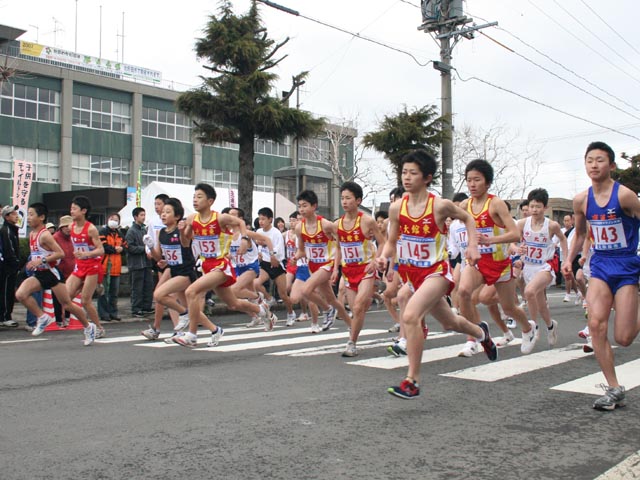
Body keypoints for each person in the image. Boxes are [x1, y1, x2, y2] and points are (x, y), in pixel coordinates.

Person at [377, 150, 497, 399]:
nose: (406, 178)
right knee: (449, 322)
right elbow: (391, 241)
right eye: (404, 172)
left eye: (413, 173)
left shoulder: (439, 205)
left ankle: (413, 380)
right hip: (413, 275)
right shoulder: (397, 208)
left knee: (410, 315)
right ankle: (481, 333)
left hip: (436, 273)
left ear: (427, 177)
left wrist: (473, 246)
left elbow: (468, 219)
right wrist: (383, 257)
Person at [562, 141, 640, 411]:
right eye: (589, 160)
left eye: (600, 160)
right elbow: (581, 233)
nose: (594, 165)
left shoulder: (626, 196)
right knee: (596, 325)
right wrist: (569, 260)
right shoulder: (581, 200)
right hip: (602, 265)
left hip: (627, 265)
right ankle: (614, 388)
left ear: (612, 166)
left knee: (625, 338)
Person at [174, 183, 274, 347]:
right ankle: (263, 311)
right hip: (206, 266)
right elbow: (185, 243)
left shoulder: (220, 218)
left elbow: (241, 223)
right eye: (194, 197)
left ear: (210, 201)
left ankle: (192, 335)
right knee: (233, 303)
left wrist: (244, 239)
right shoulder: (192, 219)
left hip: (221, 266)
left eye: (199, 197)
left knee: (191, 291)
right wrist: (183, 230)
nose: (195, 200)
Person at [456, 159, 538, 356]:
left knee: (509, 308)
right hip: (477, 261)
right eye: (469, 180)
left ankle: (528, 328)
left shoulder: (496, 204)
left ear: (488, 183)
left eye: (477, 180)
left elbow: (515, 235)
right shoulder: (466, 205)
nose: (472, 184)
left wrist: (490, 240)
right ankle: (475, 336)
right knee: (464, 292)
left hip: (500, 263)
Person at [15, 202, 96, 345]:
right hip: (40, 274)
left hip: (52, 274)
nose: (28, 218)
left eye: (31, 214)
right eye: (28, 214)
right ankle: (42, 317)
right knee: (20, 294)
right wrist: (33, 262)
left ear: (42, 217)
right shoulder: (32, 234)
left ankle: (89, 327)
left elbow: (60, 253)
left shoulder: (45, 235)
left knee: (67, 304)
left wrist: (42, 260)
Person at [333, 181, 386, 357]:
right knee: (356, 308)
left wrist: (377, 259)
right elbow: (339, 248)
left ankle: (351, 343)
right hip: (348, 271)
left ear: (358, 200)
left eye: (348, 198)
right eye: (342, 198)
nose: (344, 202)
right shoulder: (338, 224)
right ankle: (354, 335)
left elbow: (383, 243)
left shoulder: (367, 221)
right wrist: (335, 270)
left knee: (357, 307)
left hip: (366, 270)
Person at [292, 190, 351, 333]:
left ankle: (326, 309)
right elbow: (302, 249)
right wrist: (295, 257)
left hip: (327, 263)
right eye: (299, 206)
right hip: (313, 265)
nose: (302, 210)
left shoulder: (326, 225)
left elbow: (340, 244)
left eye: (305, 206)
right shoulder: (300, 227)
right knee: (333, 299)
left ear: (314, 206)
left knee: (305, 291)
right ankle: (352, 326)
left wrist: (336, 268)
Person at [517, 188, 567, 347]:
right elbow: (511, 240)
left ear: (545, 207)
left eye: (538, 206)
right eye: (532, 206)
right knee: (540, 303)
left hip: (546, 266)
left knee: (529, 291)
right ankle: (551, 325)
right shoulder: (522, 224)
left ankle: (533, 327)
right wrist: (516, 249)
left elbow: (563, 240)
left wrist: (565, 260)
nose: (534, 210)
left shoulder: (551, 225)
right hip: (529, 266)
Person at [141, 198, 194, 341]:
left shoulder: (182, 230)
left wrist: (183, 231)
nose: (163, 214)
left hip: (185, 271)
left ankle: (183, 316)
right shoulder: (161, 233)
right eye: (162, 212)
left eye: (167, 212)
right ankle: (212, 330)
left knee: (160, 295)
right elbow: (158, 257)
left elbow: (187, 245)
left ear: (177, 216)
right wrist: (151, 246)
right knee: (180, 302)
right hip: (172, 269)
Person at [66, 195, 106, 338]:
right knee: (66, 298)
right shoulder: (71, 226)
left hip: (92, 266)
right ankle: (88, 325)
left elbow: (101, 250)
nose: (71, 211)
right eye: (71, 208)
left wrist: (86, 254)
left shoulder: (91, 229)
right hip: (79, 266)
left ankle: (99, 328)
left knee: (85, 300)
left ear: (83, 211)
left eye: (74, 209)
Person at [253, 207, 297, 325]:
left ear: (270, 220)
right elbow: (257, 246)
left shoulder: (276, 233)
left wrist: (268, 249)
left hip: (277, 264)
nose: (261, 221)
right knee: (256, 283)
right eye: (259, 219)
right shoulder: (258, 232)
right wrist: (259, 253)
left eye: (263, 219)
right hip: (265, 264)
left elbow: (279, 250)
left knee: (283, 294)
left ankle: (290, 313)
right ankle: (269, 298)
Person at [126, 207, 154, 317]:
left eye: (144, 215)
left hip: (146, 263)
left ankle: (146, 307)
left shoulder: (144, 230)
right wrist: (144, 249)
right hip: (136, 264)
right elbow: (130, 248)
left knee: (148, 285)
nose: (144, 217)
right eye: (141, 215)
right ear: (135, 217)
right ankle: (136, 308)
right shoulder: (131, 231)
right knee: (137, 287)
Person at [98, 213, 126, 322]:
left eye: (116, 219)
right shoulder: (102, 232)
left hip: (116, 267)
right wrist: (115, 249)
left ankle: (113, 313)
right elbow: (104, 247)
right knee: (103, 292)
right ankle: (104, 314)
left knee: (114, 293)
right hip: (105, 266)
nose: (114, 221)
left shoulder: (120, 234)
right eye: (112, 219)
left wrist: (122, 249)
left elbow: (125, 246)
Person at [52, 215, 75, 328]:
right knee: (57, 297)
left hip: (72, 271)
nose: (68, 228)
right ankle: (58, 319)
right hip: (58, 271)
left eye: (69, 226)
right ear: (61, 227)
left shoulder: (74, 237)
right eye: (65, 226)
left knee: (69, 296)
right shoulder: (55, 238)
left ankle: (67, 317)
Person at [0, 205, 20, 327]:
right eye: (13, 214)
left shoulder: (12, 229)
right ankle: (5, 316)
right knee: (6, 291)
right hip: (7, 267)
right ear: (7, 217)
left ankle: (5, 316)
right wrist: (16, 263)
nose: (16, 215)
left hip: (9, 267)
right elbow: (9, 251)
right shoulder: (6, 230)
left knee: (8, 291)